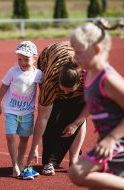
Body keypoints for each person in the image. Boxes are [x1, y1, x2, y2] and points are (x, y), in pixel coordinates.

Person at [68, 18, 124, 189]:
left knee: (77, 172)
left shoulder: (108, 79)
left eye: (79, 52)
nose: (75, 58)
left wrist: (111, 139)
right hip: (106, 142)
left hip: (118, 143)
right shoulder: (89, 74)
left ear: (97, 49)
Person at [27, 41, 88, 176]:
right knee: (52, 115)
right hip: (50, 55)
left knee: (77, 114)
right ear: (58, 82)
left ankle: (74, 160)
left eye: (70, 91)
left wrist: (75, 124)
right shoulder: (50, 80)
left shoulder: (89, 77)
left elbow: (91, 105)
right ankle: (49, 161)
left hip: (77, 55)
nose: (66, 94)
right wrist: (34, 147)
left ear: (79, 82)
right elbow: (43, 118)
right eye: (63, 89)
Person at [0, 41, 42, 179]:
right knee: (10, 136)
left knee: (24, 139)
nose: (22, 62)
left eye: (26, 59)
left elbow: (44, 90)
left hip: (27, 113)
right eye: (19, 59)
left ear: (34, 58)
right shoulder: (13, 71)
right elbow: (3, 86)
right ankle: (15, 165)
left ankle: (20, 162)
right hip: (11, 111)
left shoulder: (38, 74)